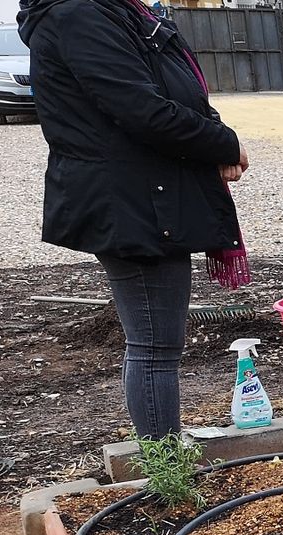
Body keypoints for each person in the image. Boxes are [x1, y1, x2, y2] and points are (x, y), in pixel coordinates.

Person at [20, 0, 250, 441]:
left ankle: (163, 456)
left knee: (156, 344)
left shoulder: (115, 11)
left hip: (148, 196)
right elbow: (142, 110)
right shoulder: (79, 14)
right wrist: (224, 143)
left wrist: (216, 138)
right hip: (133, 204)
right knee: (154, 347)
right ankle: (165, 472)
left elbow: (176, 90)